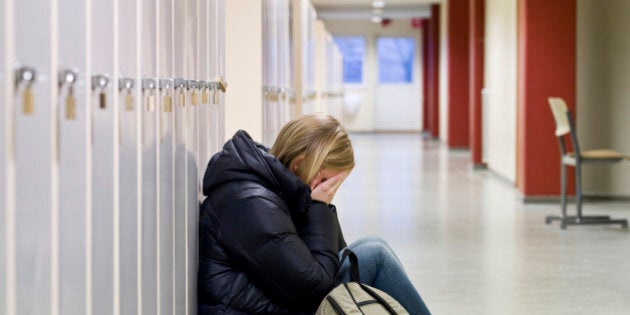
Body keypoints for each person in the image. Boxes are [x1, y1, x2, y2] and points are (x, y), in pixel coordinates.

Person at [198, 113, 431, 314]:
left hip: (277, 300)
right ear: (300, 165)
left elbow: (336, 251)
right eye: (329, 182)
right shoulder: (251, 203)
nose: (329, 191)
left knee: (372, 244)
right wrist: (319, 206)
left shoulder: (275, 186)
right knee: (375, 255)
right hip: (254, 310)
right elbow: (315, 288)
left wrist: (321, 206)